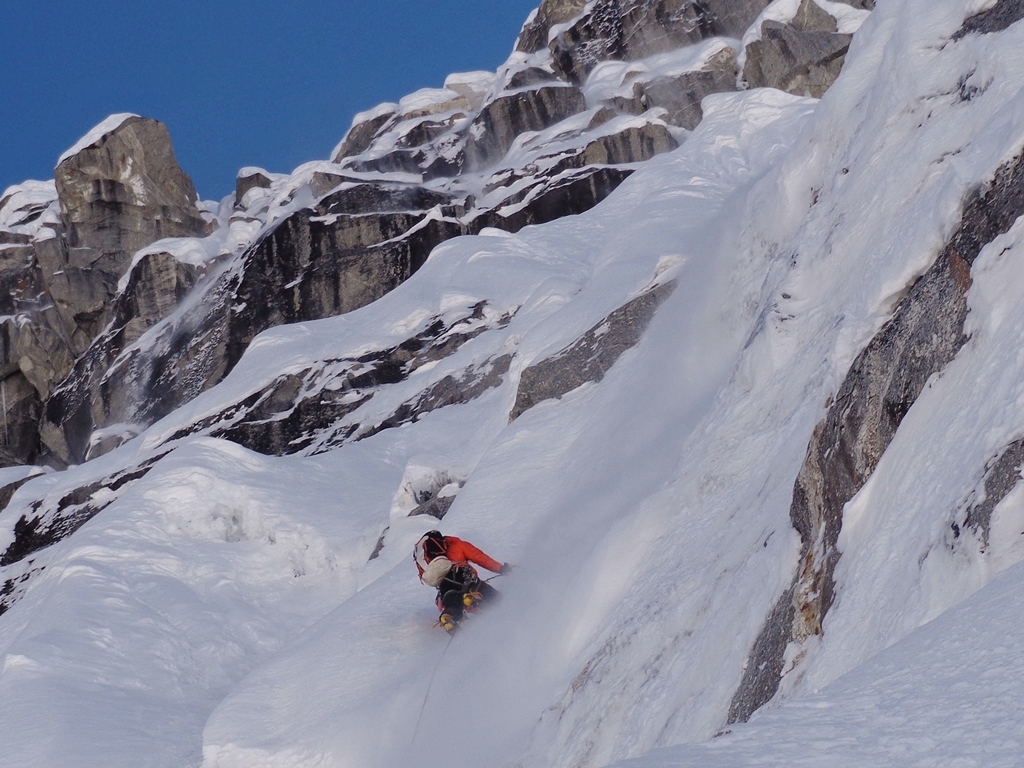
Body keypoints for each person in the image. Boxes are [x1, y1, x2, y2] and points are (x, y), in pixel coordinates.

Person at [413, 530, 511, 633]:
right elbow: (479, 557)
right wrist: (501, 569)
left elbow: (440, 603)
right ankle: (469, 598)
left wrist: (444, 603)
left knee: (452, 601)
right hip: (462, 576)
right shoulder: (456, 545)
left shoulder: (432, 563)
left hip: (445, 586)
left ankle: (449, 615)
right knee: (497, 599)